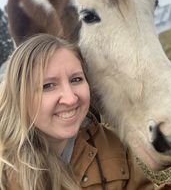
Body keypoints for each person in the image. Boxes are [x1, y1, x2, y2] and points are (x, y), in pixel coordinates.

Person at [0, 33, 158, 190]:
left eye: (76, 79)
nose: (70, 99)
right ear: (20, 97)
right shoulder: (6, 172)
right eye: (48, 86)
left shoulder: (111, 141)